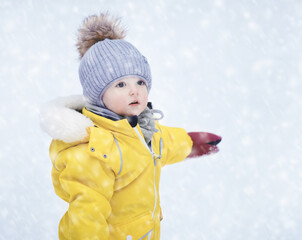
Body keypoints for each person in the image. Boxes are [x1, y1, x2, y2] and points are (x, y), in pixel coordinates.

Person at [40, 13, 221, 240]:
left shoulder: (140, 128)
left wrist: (190, 142)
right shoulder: (94, 149)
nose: (134, 90)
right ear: (98, 94)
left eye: (140, 82)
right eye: (121, 84)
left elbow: (162, 143)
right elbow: (87, 214)